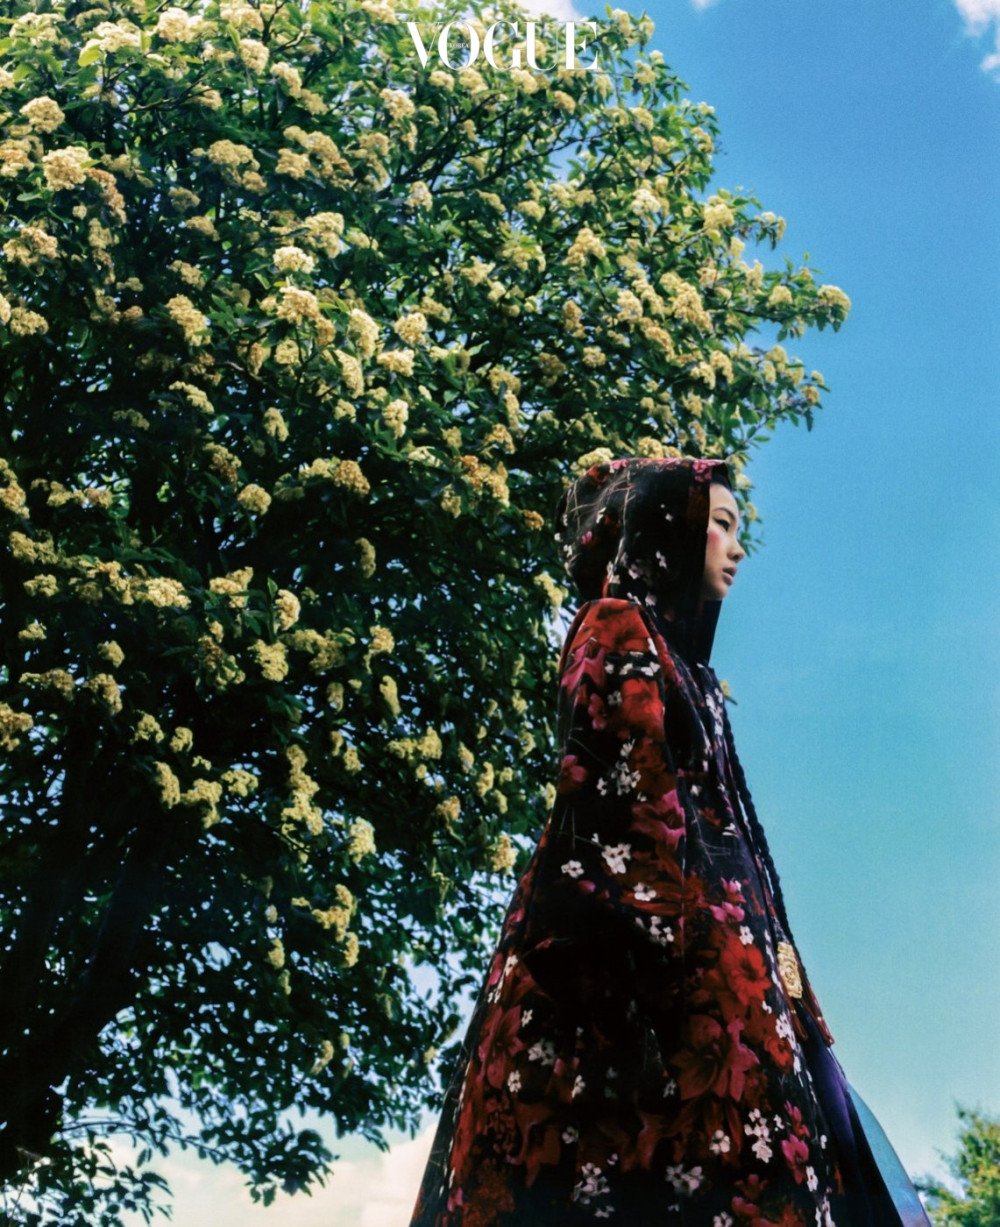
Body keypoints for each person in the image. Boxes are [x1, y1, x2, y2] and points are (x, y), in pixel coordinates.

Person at [410, 455, 929, 1226]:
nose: (736, 545)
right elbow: (621, 806)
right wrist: (641, 1006)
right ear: (664, 530)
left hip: (726, 1003)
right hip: (659, 999)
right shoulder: (616, 625)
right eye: (718, 523)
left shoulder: (692, 673)